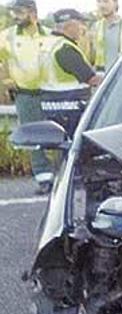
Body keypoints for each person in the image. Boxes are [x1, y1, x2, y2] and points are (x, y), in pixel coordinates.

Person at [0, 0, 53, 193]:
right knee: (33, 137)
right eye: (14, 12)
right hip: (25, 95)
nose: (15, 16)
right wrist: (6, 79)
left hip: (51, 93)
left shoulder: (49, 34)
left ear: (32, 12)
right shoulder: (8, 36)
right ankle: (44, 179)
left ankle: (64, 178)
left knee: (60, 134)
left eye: (19, 11)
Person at [41, 9, 102, 138]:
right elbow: (91, 79)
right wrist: (114, 81)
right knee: (74, 149)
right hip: (70, 110)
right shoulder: (65, 49)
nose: (83, 28)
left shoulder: (47, 43)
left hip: (51, 107)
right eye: (81, 24)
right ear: (70, 25)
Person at [90, 0, 122, 72]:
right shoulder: (96, 27)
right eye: (99, 1)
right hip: (104, 77)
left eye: (106, 1)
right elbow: (92, 57)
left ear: (115, 3)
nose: (102, 5)